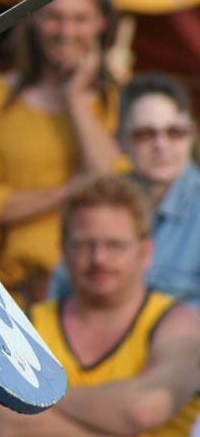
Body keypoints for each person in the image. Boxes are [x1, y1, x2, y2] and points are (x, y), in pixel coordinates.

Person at [0, 173, 200, 437]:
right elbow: (4, 431)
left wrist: (46, 398)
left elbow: (148, 405)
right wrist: (130, 420)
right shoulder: (26, 328)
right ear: (62, 249)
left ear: (145, 250)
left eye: (115, 244)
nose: (99, 258)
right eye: (85, 244)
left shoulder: (179, 322)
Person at [0, 0, 124, 305]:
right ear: (32, 18)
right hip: (4, 298)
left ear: (102, 22)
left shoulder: (122, 102)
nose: (65, 31)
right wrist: (69, 189)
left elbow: (113, 194)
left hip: (93, 303)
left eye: (80, 18)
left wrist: (77, 102)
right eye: (54, 16)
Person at [50, 72, 200, 307]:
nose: (161, 145)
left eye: (175, 132)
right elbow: (61, 292)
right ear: (119, 140)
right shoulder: (99, 201)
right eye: (145, 134)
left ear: (192, 134)